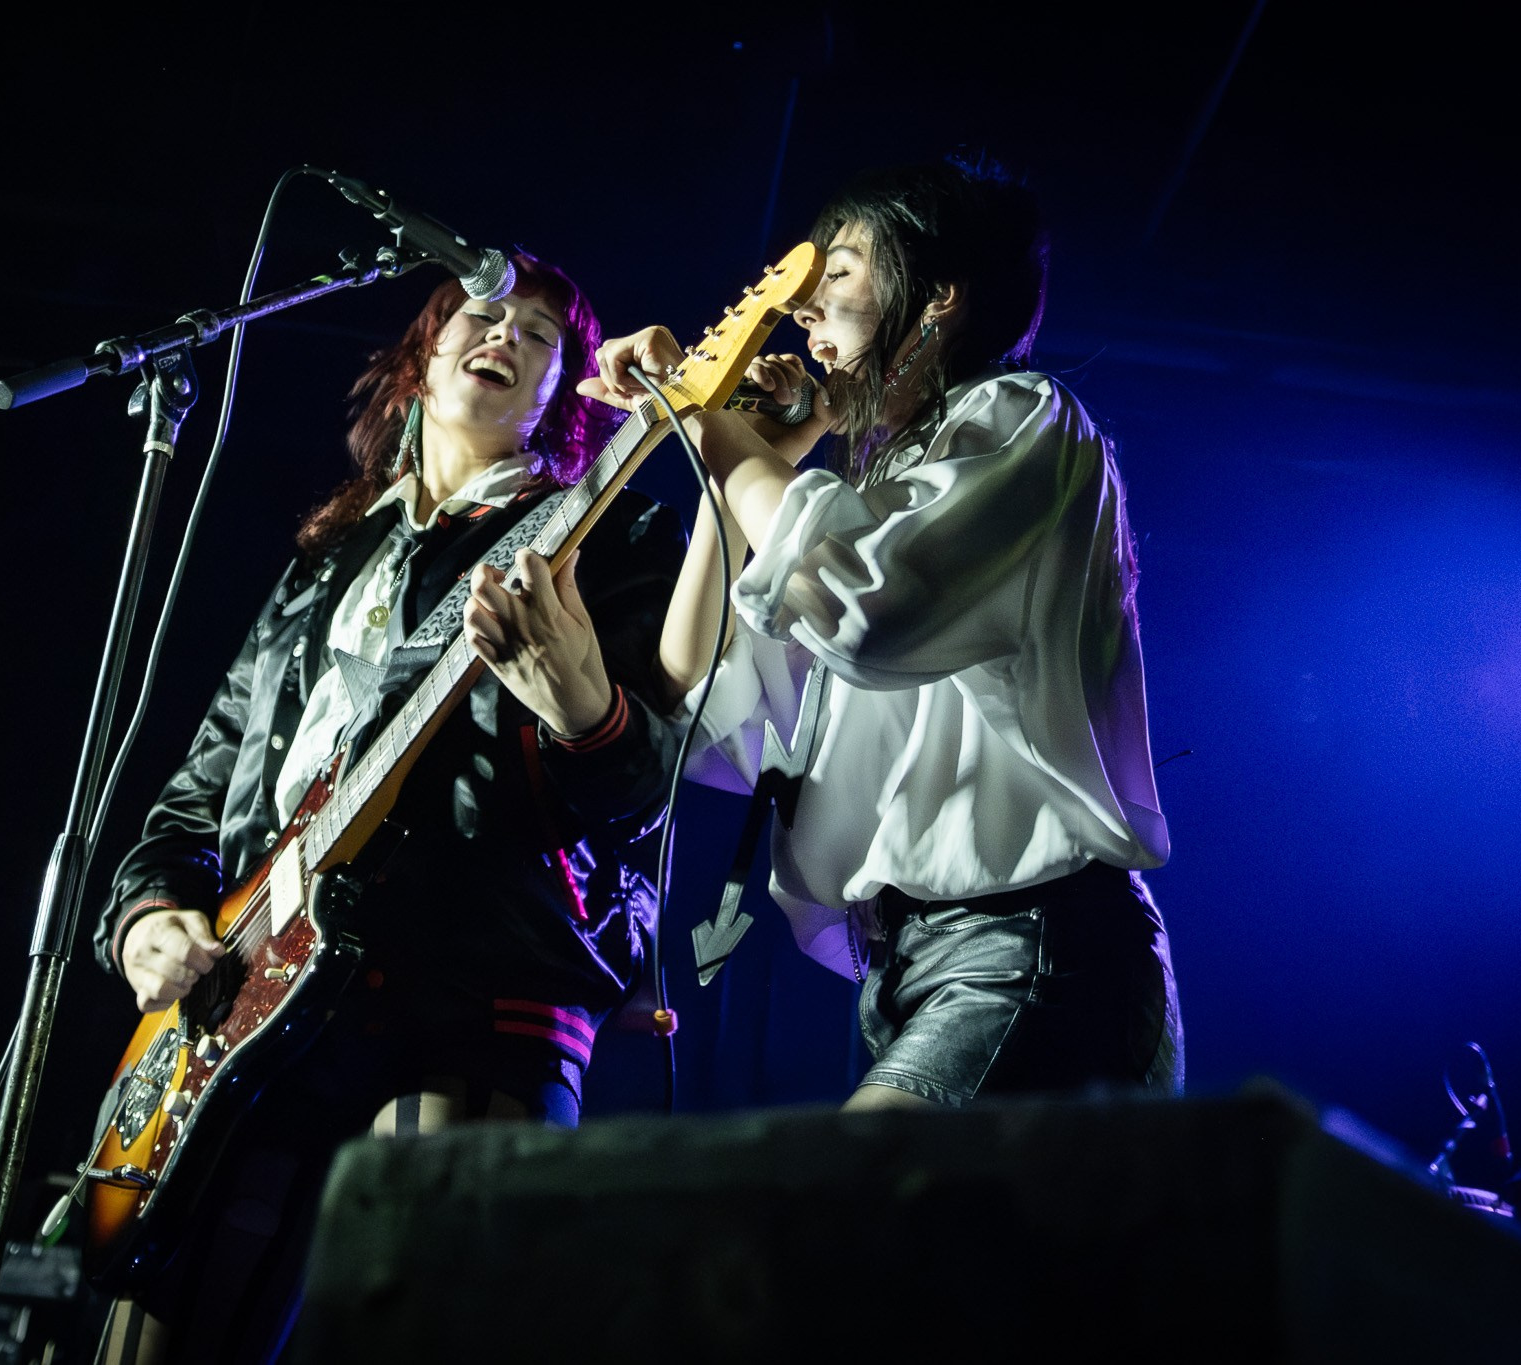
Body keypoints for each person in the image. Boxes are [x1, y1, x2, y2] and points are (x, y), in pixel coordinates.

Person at [90, 253, 683, 1361]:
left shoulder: (607, 537)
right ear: (422, 352)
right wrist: (149, 917)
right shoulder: (319, 568)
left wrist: (581, 703)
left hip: (478, 986)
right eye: (479, 312)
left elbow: (644, 789)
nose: (502, 335)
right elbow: (196, 796)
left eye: (540, 335)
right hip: (255, 998)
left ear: (558, 394)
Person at [581, 158, 1182, 1111]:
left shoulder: (1024, 419)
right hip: (904, 974)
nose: (809, 301)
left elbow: (868, 605)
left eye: (846, 266)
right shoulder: (857, 505)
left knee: (823, 1230)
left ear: (938, 295)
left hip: (1028, 944)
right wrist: (743, 452)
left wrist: (710, 427)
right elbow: (695, 686)